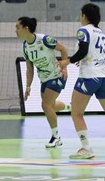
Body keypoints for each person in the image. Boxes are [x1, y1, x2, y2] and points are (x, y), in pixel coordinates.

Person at [16, 16, 70, 148]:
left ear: (26, 28)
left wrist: (64, 68)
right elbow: (30, 69)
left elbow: (63, 49)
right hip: (44, 79)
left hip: (56, 76)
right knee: (50, 106)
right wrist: (28, 86)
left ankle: (56, 137)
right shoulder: (25, 47)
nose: (15, 30)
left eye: (18, 27)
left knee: (45, 105)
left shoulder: (44, 39)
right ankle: (69, 107)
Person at [59, 3, 105, 159]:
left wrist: (69, 61)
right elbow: (91, 52)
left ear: (84, 16)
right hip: (103, 76)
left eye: (80, 14)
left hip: (88, 77)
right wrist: (83, 59)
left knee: (77, 113)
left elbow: (83, 50)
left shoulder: (83, 30)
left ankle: (86, 149)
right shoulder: (101, 32)